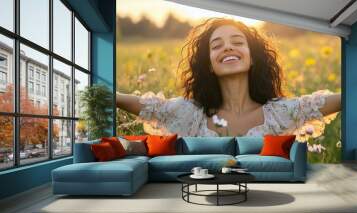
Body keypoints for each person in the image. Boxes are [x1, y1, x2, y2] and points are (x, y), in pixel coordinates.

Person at [116, 18, 340, 140]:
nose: (228, 47)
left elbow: (337, 100)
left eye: (237, 42)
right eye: (217, 45)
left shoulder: (279, 113)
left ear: (252, 59)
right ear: (210, 65)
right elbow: (150, 107)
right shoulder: (190, 114)